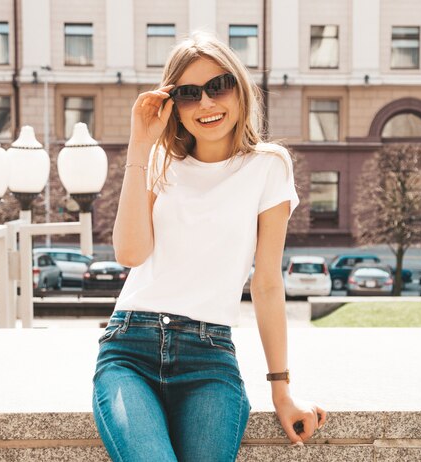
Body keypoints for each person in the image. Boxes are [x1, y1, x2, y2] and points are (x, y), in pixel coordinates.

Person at [91, 31, 327, 462]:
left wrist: (281, 388)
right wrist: (141, 143)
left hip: (209, 356)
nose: (206, 103)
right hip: (131, 349)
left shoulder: (269, 165)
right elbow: (129, 254)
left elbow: (269, 283)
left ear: (239, 88)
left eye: (219, 86)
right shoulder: (160, 162)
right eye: (188, 94)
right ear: (172, 106)